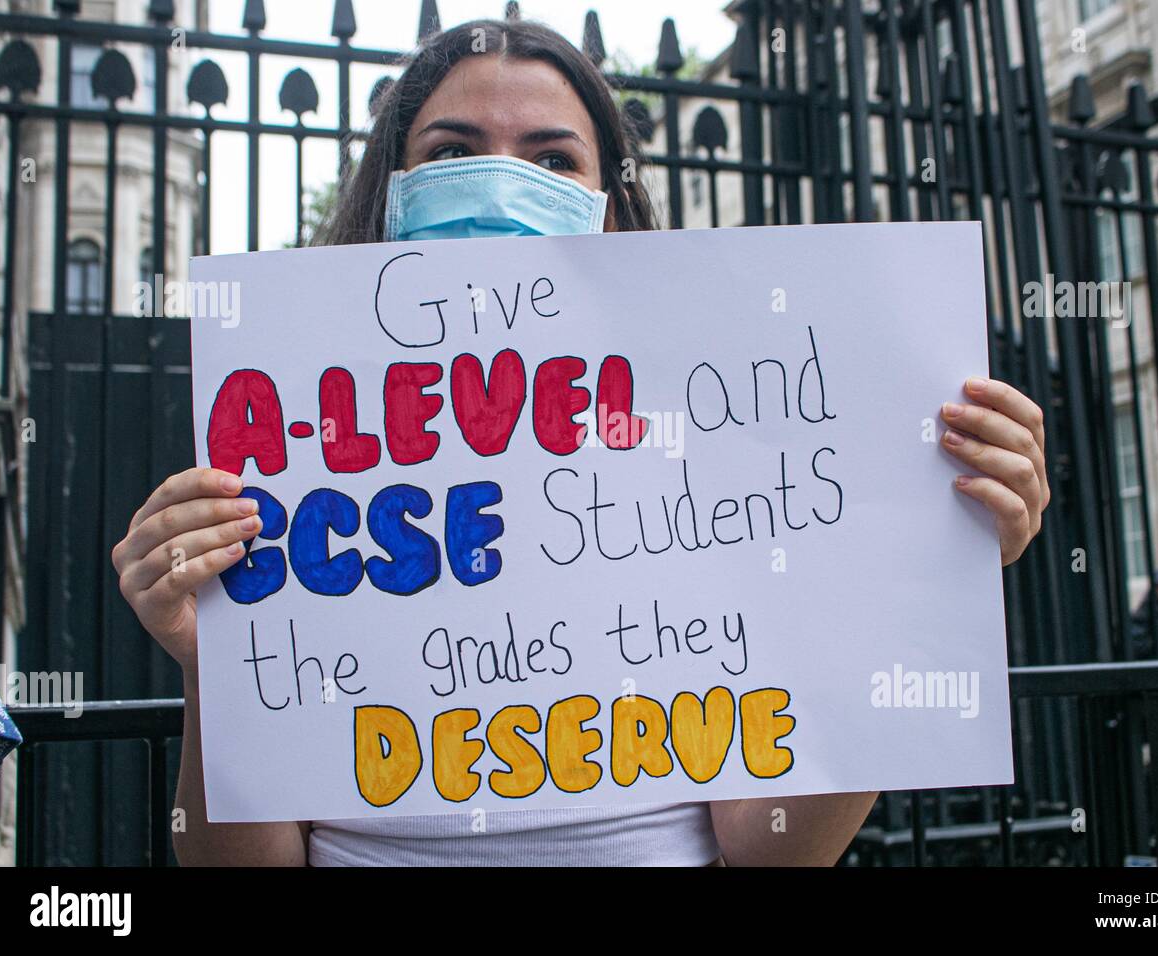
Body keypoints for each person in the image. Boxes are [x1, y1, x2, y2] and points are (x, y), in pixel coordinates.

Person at [111, 19, 1050, 866]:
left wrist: (932, 566)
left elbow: (773, 854)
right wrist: (214, 661)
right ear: (392, 187)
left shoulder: (708, 449)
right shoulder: (296, 443)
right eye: (454, 150)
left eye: (554, 160)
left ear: (610, 202)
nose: (507, 180)